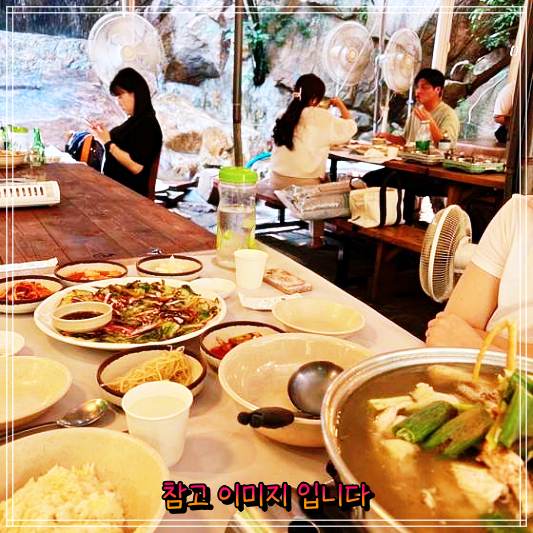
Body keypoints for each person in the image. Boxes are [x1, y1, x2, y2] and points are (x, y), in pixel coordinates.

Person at [426, 194, 533, 355]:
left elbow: (457, 338)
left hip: (480, 363)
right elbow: (445, 332)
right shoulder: (517, 213)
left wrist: (478, 345)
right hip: (469, 367)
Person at [270, 73, 357, 190]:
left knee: (323, 177)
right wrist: (340, 105)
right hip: (302, 184)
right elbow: (351, 127)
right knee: (334, 184)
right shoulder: (321, 116)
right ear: (315, 99)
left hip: (276, 180)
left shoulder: (283, 114)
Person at [90, 68, 163, 197]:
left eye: (121, 96)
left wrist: (108, 143)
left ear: (135, 94)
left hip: (127, 195)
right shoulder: (135, 121)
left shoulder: (148, 125)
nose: (118, 102)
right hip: (113, 188)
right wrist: (104, 134)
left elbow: (136, 167)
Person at [378, 68, 460, 147]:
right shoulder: (417, 111)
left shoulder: (448, 115)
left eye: (424, 87)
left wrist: (429, 122)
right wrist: (387, 137)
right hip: (410, 157)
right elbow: (405, 141)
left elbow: (446, 147)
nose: (418, 91)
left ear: (437, 90)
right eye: (417, 87)